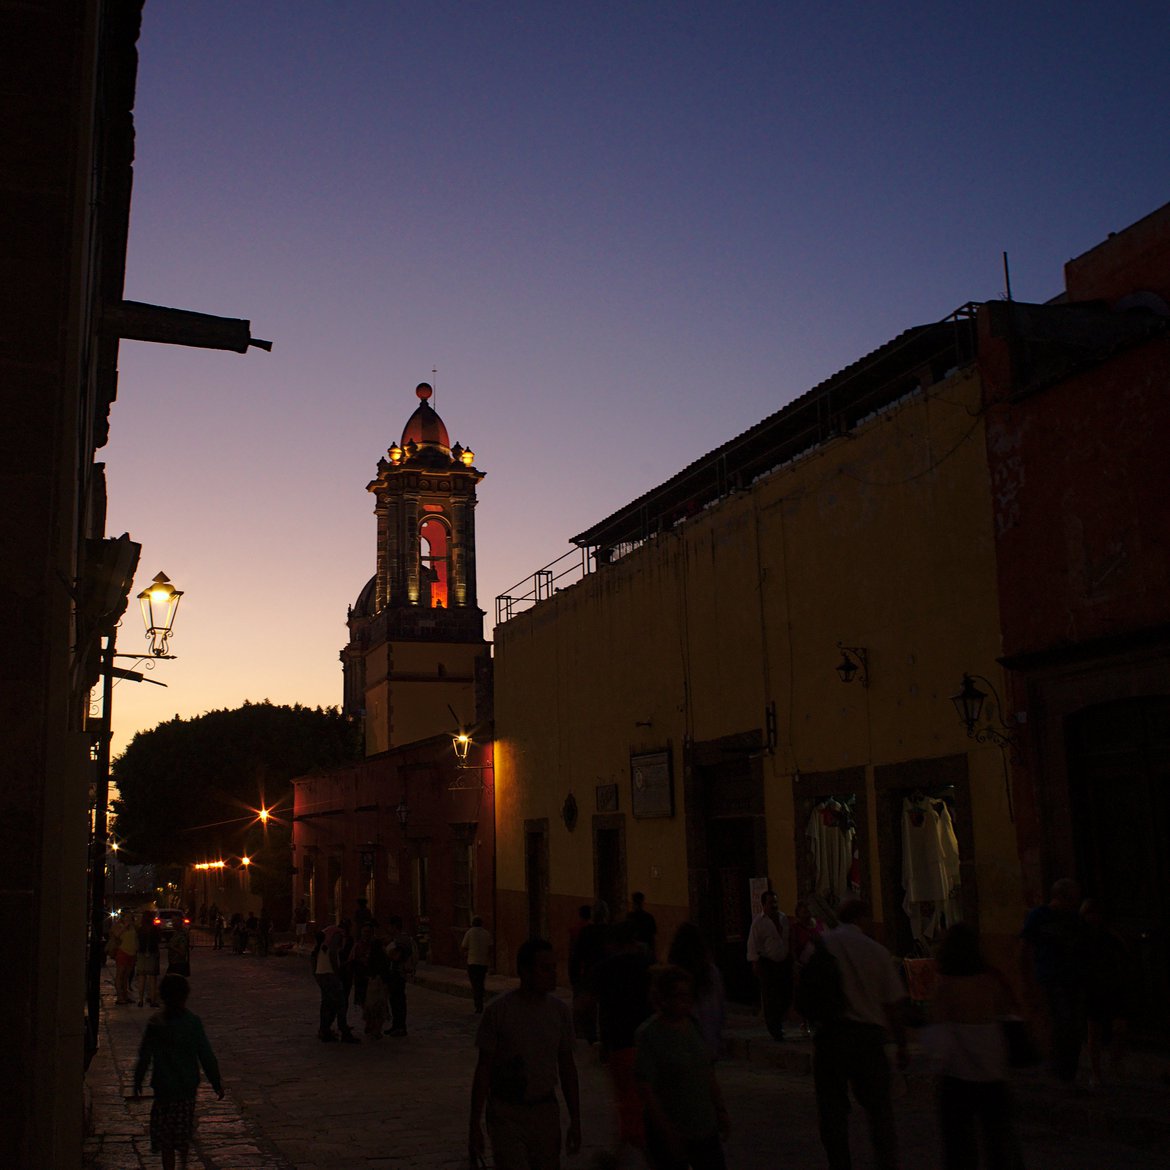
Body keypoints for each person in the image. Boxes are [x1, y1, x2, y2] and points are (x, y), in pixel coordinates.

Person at [810, 898, 908, 1170]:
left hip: (831, 1037)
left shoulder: (823, 944)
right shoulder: (876, 951)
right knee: (879, 1112)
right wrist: (901, 1045)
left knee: (833, 1114)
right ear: (862, 918)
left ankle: (839, 1163)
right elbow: (893, 1005)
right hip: (868, 1039)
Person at [469, 938, 581, 1170]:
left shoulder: (560, 1013)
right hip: (506, 1112)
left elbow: (567, 1067)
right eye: (544, 968)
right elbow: (484, 1069)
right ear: (524, 971)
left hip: (544, 1110)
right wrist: (474, 1124)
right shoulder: (498, 1012)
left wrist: (575, 1118)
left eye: (553, 968)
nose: (551, 974)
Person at [928, 923, 1022, 1170]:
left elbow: (940, 1032)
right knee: (998, 1143)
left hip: (956, 1076)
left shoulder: (945, 984)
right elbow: (1008, 1016)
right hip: (993, 1073)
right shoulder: (991, 980)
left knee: (959, 1148)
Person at [634, 965, 730, 1170]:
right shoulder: (649, 1035)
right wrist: (666, 1131)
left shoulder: (692, 1025)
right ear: (663, 998)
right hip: (672, 1129)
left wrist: (720, 1109)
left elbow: (706, 1070)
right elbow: (646, 1088)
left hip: (703, 1126)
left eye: (689, 995)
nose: (686, 1001)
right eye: (680, 996)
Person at [132, 973, 224, 1170]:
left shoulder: (156, 1024)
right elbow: (205, 1054)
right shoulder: (192, 1023)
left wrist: (138, 1080)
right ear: (185, 995)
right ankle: (183, 1164)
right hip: (185, 1089)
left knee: (166, 1139)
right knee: (182, 1135)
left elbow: (145, 1055)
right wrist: (215, 1082)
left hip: (163, 1089)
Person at [591, 920, 653, 1156]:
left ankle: (626, 1150)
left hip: (618, 1043)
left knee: (628, 1100)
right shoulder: (647, 965)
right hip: (645, 1042)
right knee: (642, 1098)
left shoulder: (605, 968)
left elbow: (586, 1002)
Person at [1019, 877, 1089, 1085]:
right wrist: (1027, 981)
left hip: (1067, 979)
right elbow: (1025, 950)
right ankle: (1061, 1069)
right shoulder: (1041, 917)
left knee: (1068, 1025)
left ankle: (1065, 1070)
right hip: (1052, 979)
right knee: (1062, 1024)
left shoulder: (1071, 919)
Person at [1080, 898, 1130, 1089]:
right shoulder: (1082, 938)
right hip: (1094, 988)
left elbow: (1124, 959)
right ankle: (1096, 1072)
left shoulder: (1111, 937)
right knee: (1094, 1031)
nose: (1093, 918)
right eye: (1089, 913)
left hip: (1113, 987)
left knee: (1120, 1028)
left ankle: (1114, 1063)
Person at [667, 922, 726, 1060]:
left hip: (681, 1047)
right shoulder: (712, 973)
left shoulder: (672, 974)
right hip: (707, 1043)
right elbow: (720, 1009)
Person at [745, 889, 792, 1040]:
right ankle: (775, 1029)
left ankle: (780, 1020)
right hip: (767, 963)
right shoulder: (758, 923)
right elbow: (753, 944)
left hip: (783, 962)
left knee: (785, 994)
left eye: (776, 902)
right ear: (764, 904)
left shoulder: (783, 918)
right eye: (771, 902)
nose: (774, 905)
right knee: (771, 997)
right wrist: (755, 962)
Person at [313, 928, 359, 1043]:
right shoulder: (330, 947)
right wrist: (337, 973)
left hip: (322, 976)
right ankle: (343, 1032)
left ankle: (325, 1030)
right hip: (329, 976)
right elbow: (333, 957)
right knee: (340, 1004)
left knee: (327, 1004)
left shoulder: (320, 949)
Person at [386, 915, 414, 1036]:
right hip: (395, 973)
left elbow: (398, 956)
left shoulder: (402, 939)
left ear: (394, 926)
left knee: (398, 1001)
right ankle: (396, 1025)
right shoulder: (397, 938)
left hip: (399, 973)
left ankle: (400, 1027)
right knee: (395, 1000)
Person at [461, 915, 494, 1013]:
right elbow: (490, 948)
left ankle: (478, 1004)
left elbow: (463, 947)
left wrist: (466, 953)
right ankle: (480, 1000)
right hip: (483, 963)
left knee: (475, 984)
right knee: (480, 982)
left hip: (472, 962)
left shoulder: (469, 933)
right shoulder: (486, 933)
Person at [137, 911, 162, 1007]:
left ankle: (140, 1000)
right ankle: (152, 1000)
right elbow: (158, 940)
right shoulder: (155, 929)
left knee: (141, 978)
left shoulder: (140, 929)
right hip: (152, 954)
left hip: (141, 953)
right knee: (152, 979)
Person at [113, 912, 139, 1004]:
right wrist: (124, 927)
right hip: (123, 952)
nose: (128, 919)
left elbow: (135, 939)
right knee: (120, 975)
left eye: (130, 918)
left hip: (131, 954)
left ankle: (125, 995)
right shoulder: (119, 926)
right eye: (126, 917)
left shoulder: (133, 927)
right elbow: (116, 935)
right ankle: (120, 997)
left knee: (126, 976)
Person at [627, 891, 658, 959]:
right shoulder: (648, 917)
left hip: (635, 950)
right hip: (644, 950)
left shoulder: (630, 917)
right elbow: (652, 937)